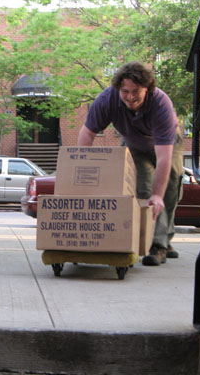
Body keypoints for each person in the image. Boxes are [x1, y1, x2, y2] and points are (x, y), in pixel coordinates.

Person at [78, 61, 184, 266]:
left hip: (167, 144)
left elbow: (163, 157)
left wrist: (158, 195)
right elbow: (87, 134)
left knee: (169, 191)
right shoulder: (107, 99)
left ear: (147, 89)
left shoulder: (160, 103)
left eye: (136, 91)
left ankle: (164, 238)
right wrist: (82, 169)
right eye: (125, 91)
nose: (130, 96)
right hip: (134, 145)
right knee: (143, 189)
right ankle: (156, 245)